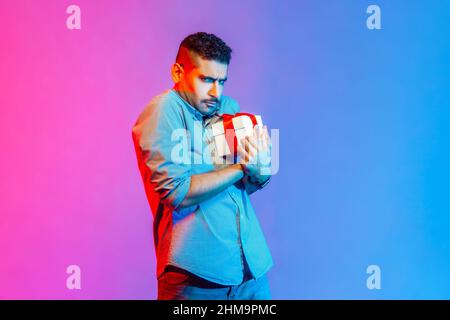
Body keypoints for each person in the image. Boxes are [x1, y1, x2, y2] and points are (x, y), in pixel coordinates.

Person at [132, 32, 273, 300]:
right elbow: (177, 193)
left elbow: (243, 188)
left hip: (250, 271)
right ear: (177, 72)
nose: (215, 92)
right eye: (206, 79)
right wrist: (242, 168)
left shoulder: (229, 107)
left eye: (221, 81)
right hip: (196, 276)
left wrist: (261, 167)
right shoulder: (163, 110)